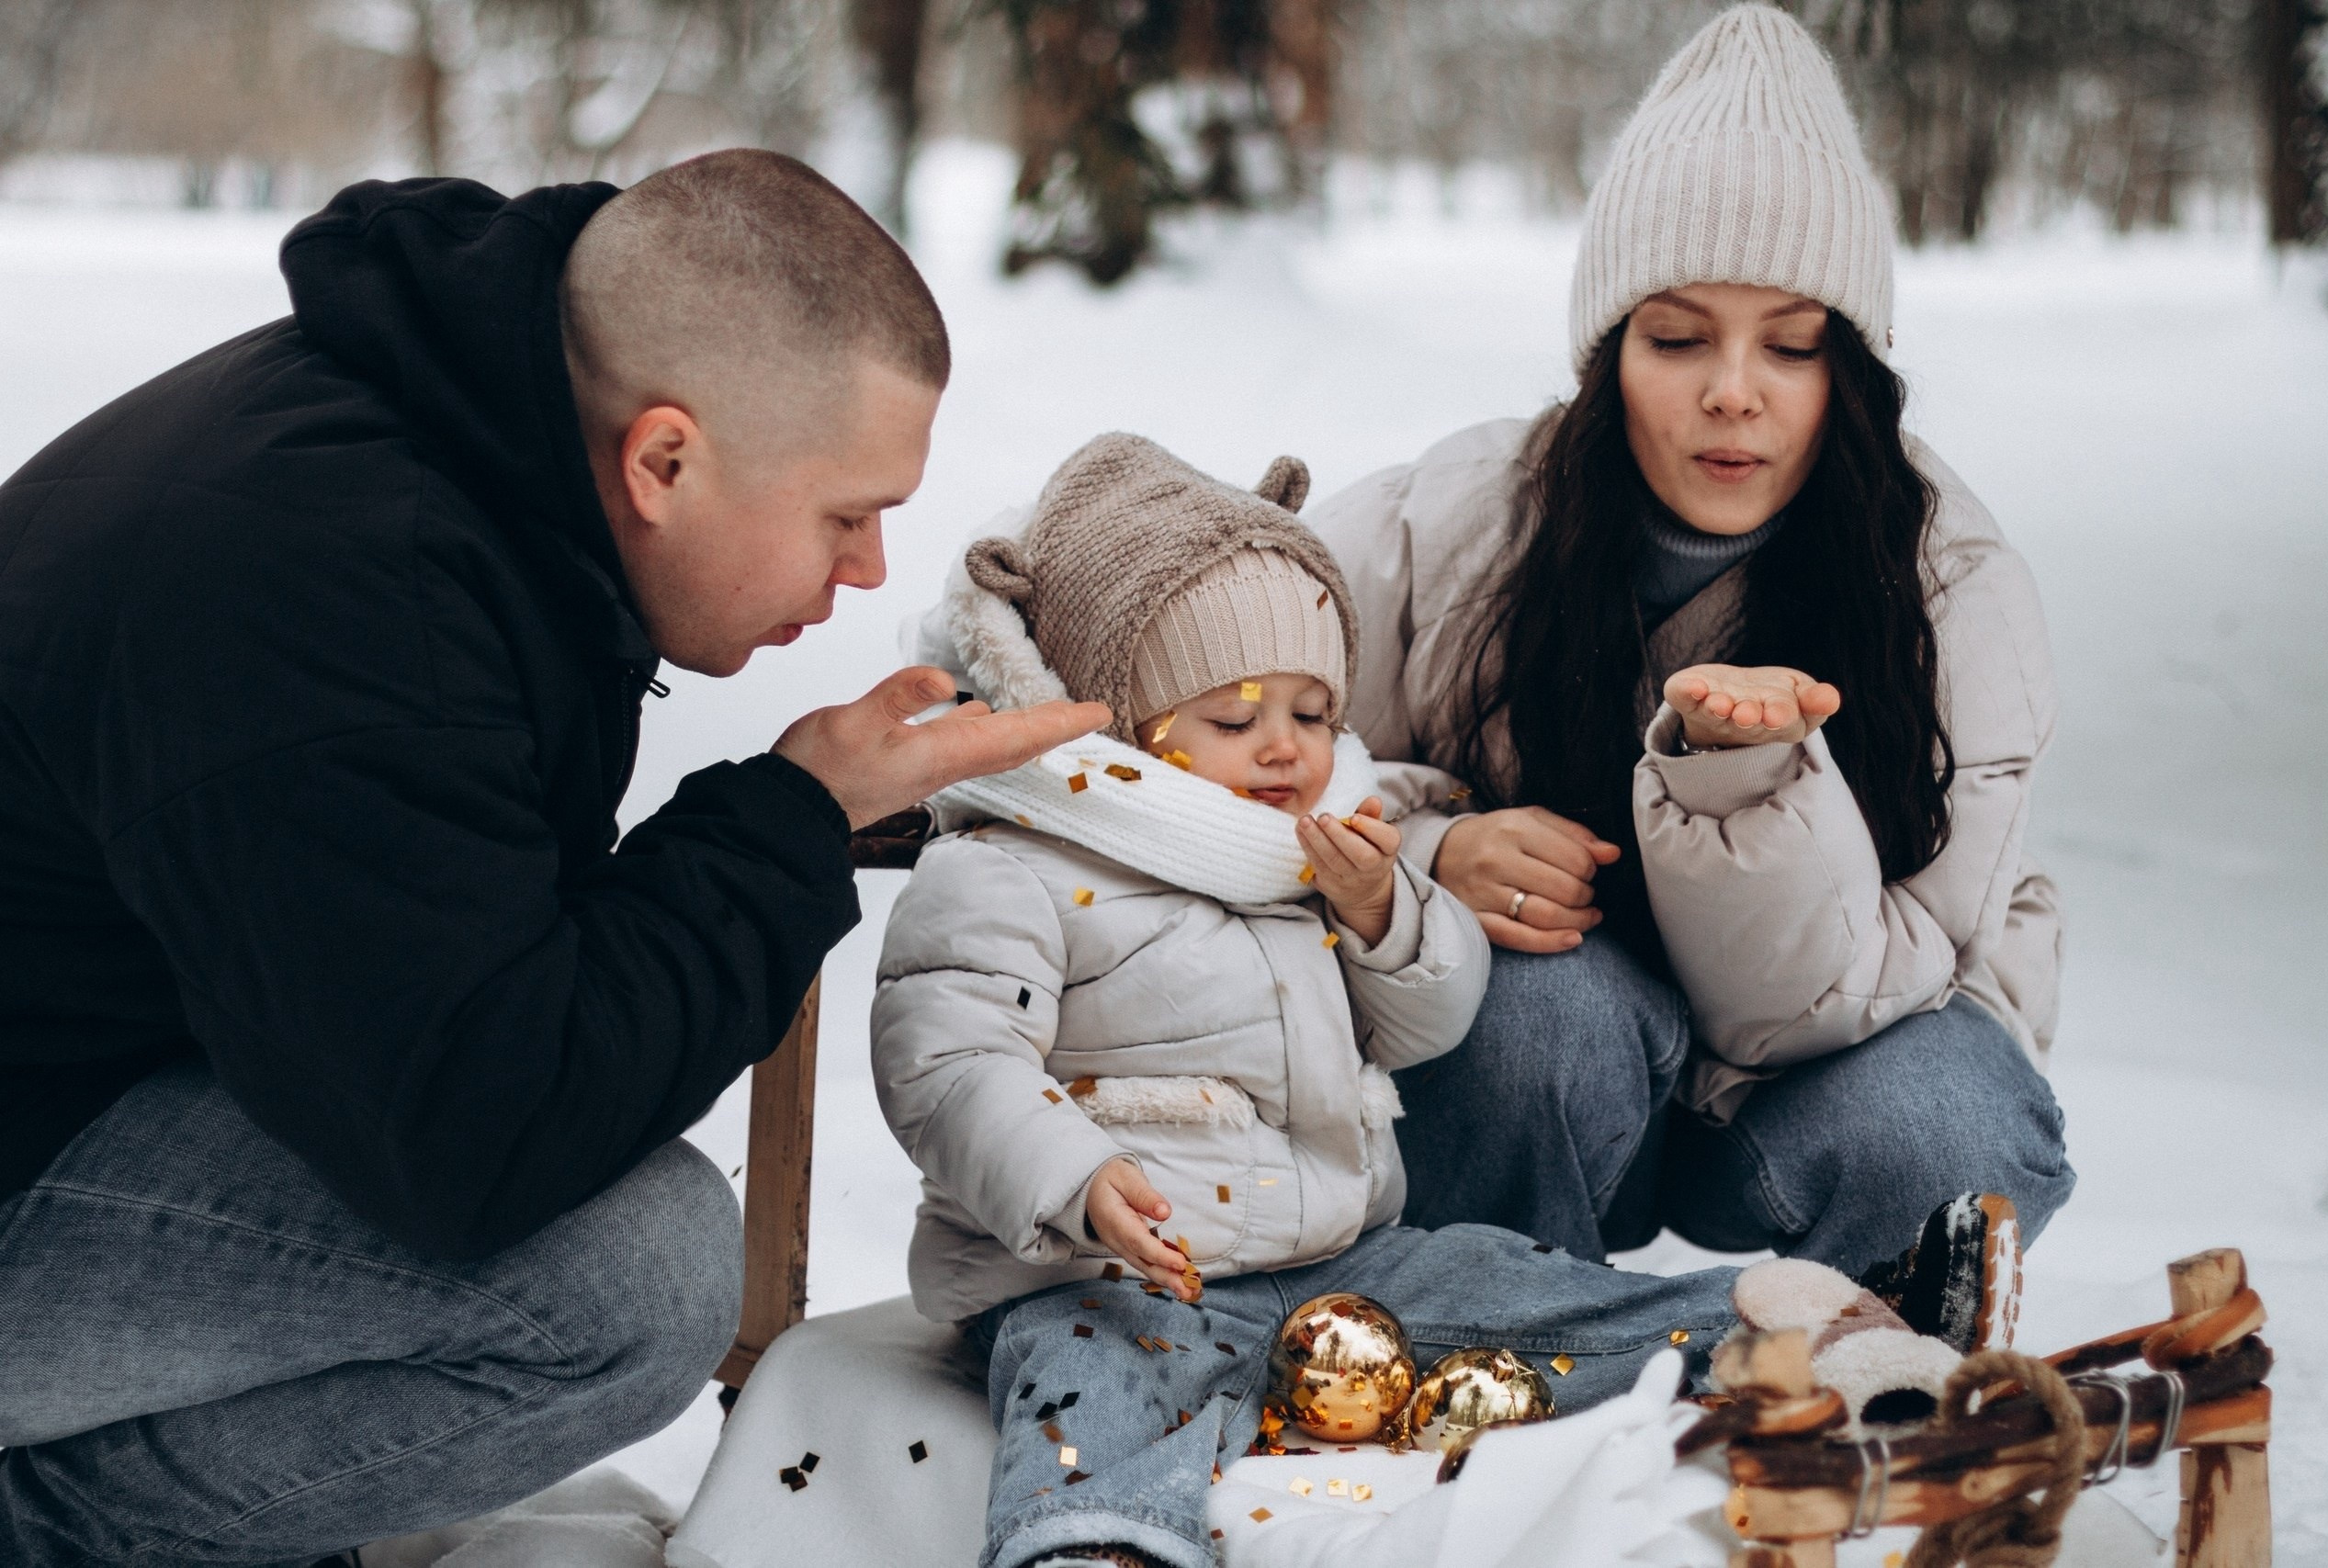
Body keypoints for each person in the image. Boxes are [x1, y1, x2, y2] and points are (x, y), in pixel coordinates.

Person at [0, 151, 1105, 1566]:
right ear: (663, 458)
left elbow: (458, 972)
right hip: (39, 1137)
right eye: (845, 514)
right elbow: (485, 1130)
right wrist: (789, 819)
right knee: (626, 1278)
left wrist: (799, 802)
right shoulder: (346, 600)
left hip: (79, 1072)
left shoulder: (477, 452)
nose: (874, 568)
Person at [878, 434, 1983, 1568]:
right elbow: (948, 1063)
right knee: (1102, 1381)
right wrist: (1070, 1179)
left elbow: (1428, 1027)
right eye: (1236, 714)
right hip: (1101, 1272)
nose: (1286, 749)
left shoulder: (1300, 857)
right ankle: (1094, 1542)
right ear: (1122, 721)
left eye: (1312, 712)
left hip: (1332, 1264)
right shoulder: (1010, 864)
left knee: (1520, 1293)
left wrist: (1381, 917)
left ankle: (1820, 1340)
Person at [1307, 6, 2076, 1278]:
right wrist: (1433, 856)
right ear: (1608, 355)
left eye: (1792, 344)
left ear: (1855, 370)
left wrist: (1749, 791)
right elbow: (1235, 710)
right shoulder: (1455, 520)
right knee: (1528, 1010)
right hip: (1543, 1077)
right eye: (1676, 337)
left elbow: (1812, 1001)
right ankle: (1478, 1364)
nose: (1735, 390)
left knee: (1953, 1120)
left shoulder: (1953, 590)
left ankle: (1862, 1414)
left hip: (1837, 1071)